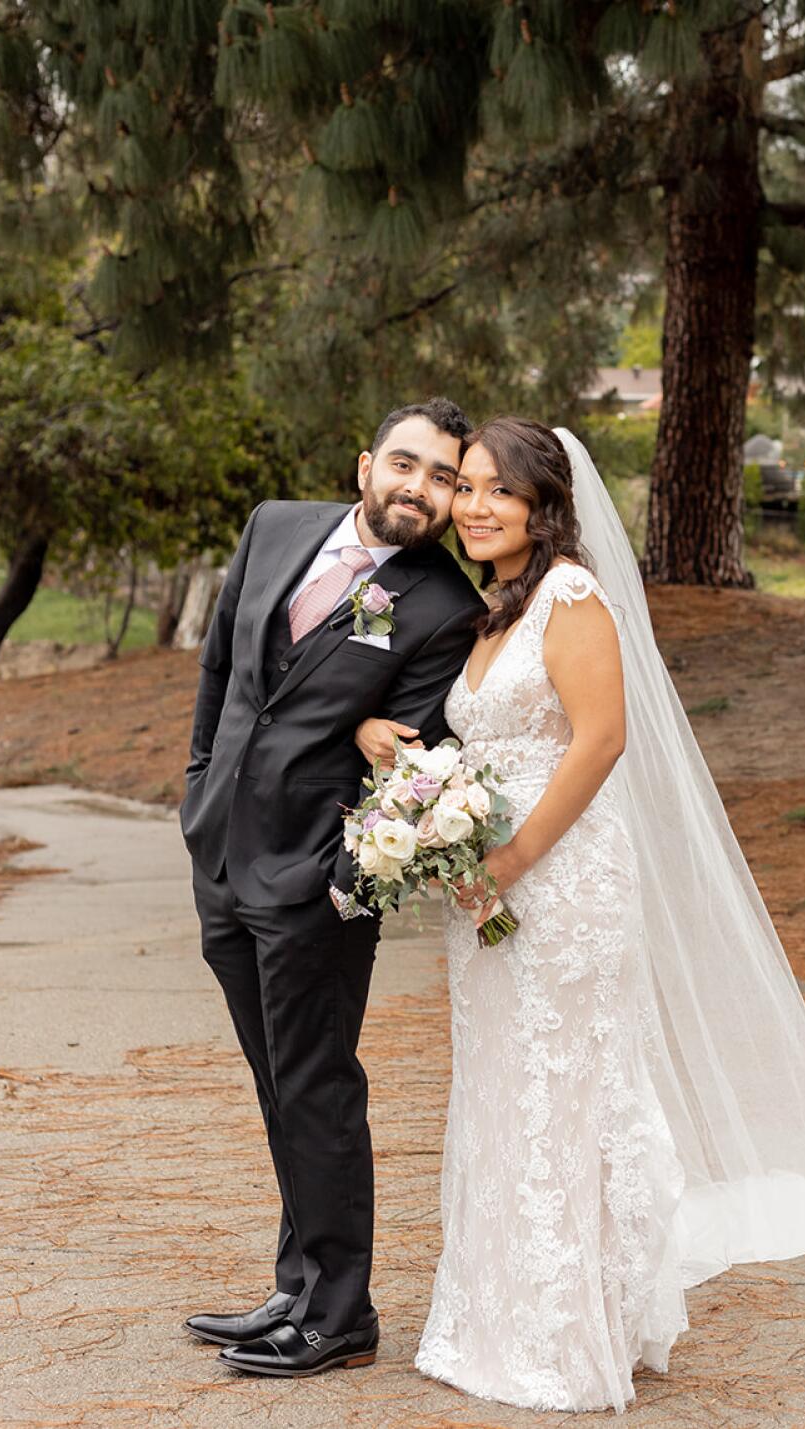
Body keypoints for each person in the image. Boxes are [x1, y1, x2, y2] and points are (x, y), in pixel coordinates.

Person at [355, 417, 805, 1412]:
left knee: (568, 1093)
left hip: (559, 885)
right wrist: (406, 767)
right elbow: (491, 745)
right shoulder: (494, 611)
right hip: (487, 890)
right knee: (506, 1092)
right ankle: (492, 1319)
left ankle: (566, 1337)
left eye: (495, 490)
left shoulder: (572, 597)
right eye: (464, 486)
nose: (471, 504)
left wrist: (507, 858)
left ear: (542, 505)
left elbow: (597, 744)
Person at [178, 397, 486, 1377]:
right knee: (277, 1084)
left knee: (316, 1085)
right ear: (365, 465)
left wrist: (337, 876)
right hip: (220, 851)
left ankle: (341, 1310)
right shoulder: (273, 525)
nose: (420, 488)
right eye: (406, 464)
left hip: (315, 881)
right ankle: (295, 1285)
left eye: (441, 477)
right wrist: (196, 792)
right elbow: (224, 667)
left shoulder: (442, 608)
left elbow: (415, 760)